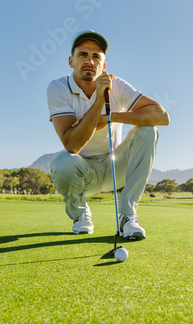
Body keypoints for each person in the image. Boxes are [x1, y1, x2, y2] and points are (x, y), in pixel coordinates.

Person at [46, 31, 169, 238]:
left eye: (96, 57)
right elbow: (72, 145)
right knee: (62, 162)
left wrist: (110, 118)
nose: (89, 61)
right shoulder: (58, 87)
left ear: (103, 65)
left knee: (148, 129)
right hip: (83, 172)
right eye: (83, 54)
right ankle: (80, 214)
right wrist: (99, 102)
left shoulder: (116, 84)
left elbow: (161, 116)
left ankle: (127, 216)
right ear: (71, 61)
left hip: (116, 168)